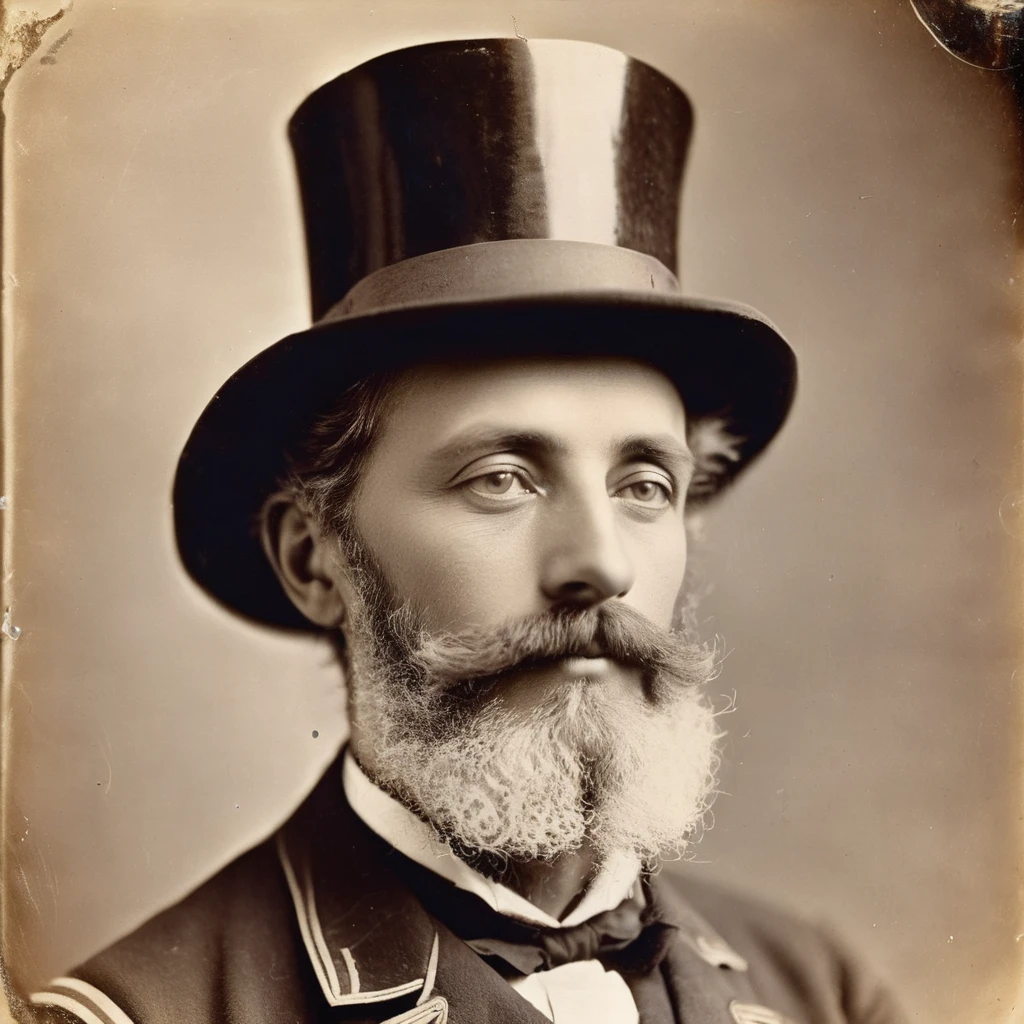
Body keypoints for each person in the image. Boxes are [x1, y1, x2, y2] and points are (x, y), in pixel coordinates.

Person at [24, 37, 906, 1024]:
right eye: (501, 478)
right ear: (314, 558)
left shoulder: (823, 993)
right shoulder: (142, 1011)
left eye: (645, 484)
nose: (600, 564)